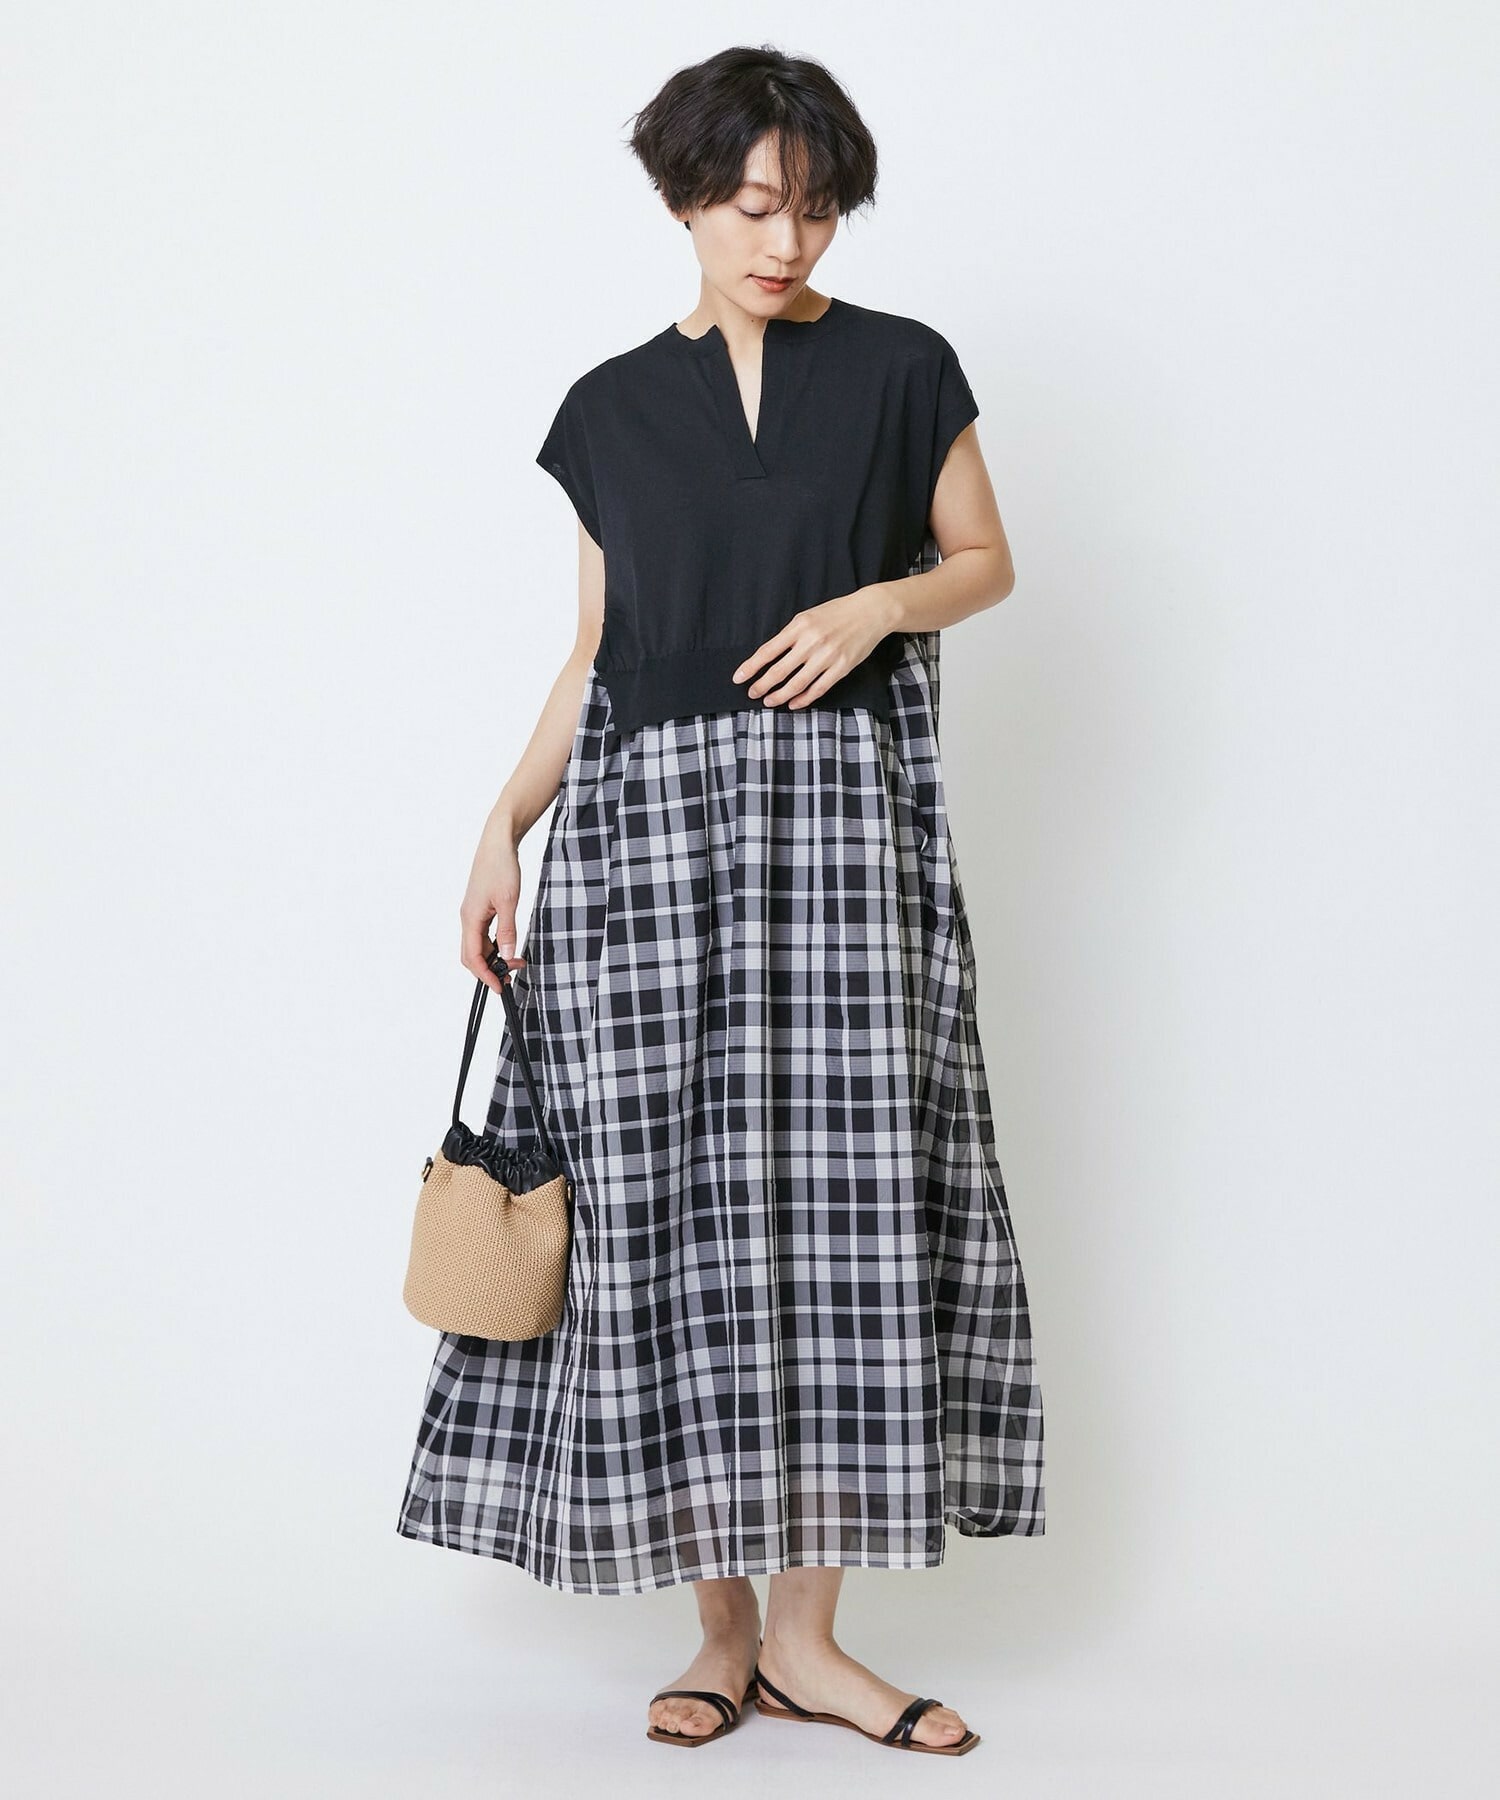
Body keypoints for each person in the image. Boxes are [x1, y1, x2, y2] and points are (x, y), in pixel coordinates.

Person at [397, 44, 1045, 1757]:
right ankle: (722, 1632)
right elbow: (600, 651)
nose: (787, 240)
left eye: (817, 209)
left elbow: (986, 559)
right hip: (643, 854)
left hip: (844, 848)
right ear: (685, 197)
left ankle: (815, 1643)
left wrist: (879, 607)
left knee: (846, 1216)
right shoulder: (611, 409)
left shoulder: (903, 368)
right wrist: (503, 822)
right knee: (665, 1219)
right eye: (756, 205)